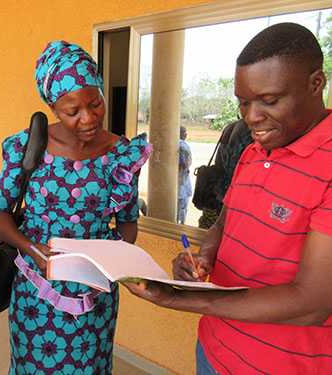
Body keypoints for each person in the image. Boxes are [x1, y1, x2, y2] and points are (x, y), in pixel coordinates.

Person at [125, 23, 332, 374]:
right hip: (213, 350)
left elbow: (311, 303)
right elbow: (226, 220)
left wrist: (182, 298)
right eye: (244, 102)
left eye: (269, 101)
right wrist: (203, 256)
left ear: (316, 83)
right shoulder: (254, 151)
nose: (251, 117)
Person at [0, 40, 151, 373]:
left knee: (91, 366)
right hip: (37, 293)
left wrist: (114, 258)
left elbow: (128, 223)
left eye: (96, 104)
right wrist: (32, 248)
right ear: (53, 107)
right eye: (72, 111)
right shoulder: (27, 146)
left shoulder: (121, 153)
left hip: (95, 296)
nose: (88, 118)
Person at [198, 119, 252, 229]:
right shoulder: (253, 132)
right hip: (235, 198)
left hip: (218, 192)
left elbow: (220, 162)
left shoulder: (230, 127)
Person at [177, 125, 192, 224]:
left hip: (179, 184)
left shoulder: (174, 144)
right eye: (184, 132)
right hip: (182, 183)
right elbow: (185, 164)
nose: (186, 134)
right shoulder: (183, 145)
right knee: (182, 209)